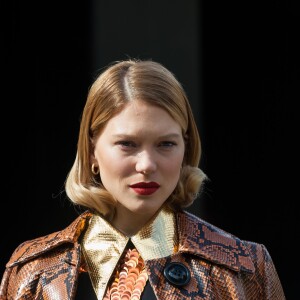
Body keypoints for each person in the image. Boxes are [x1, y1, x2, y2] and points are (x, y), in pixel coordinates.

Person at [0, 59, 286, 300]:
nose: (147, 165)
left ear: (186, 149)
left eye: (166, 144)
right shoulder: (34, 271)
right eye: (127, 144)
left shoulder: (245, 267)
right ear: (91, 152)